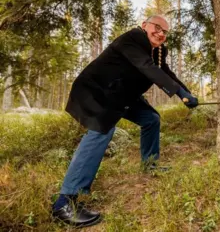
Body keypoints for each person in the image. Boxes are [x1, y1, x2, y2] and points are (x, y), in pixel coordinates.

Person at [51, 15, 198, 227]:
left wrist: (185, 93)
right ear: (144, 25)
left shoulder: (157, 51)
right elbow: (147, 67)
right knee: (102, 131)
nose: (161, 33)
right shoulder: (132, 38)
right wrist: (179, 92)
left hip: (121, 95)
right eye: (157, 27)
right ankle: (64, 203)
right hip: (96, 91)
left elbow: (164, 71)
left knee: (151, 119)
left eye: (165, 32)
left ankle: (150, 164)